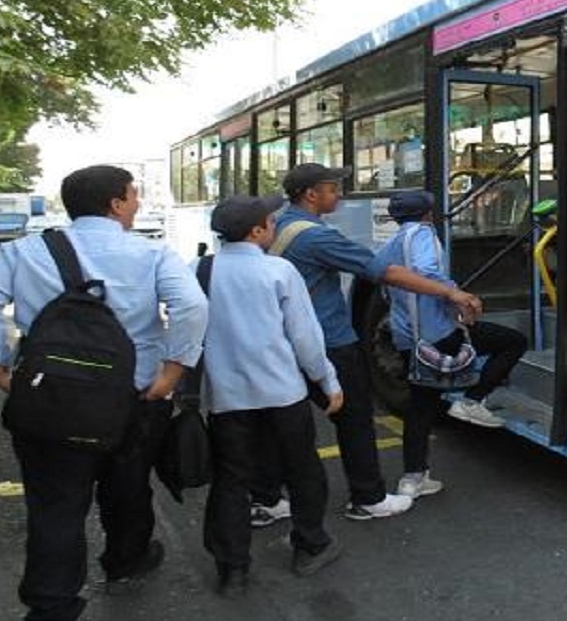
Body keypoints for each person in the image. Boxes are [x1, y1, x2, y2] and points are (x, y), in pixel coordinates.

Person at [0, 165, 208, 621]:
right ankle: (125, 560)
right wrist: (172, 373)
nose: (137, 204)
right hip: (135, 399)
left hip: (50, 401)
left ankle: (52, 604)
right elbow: (190, 305)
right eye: (133, 196)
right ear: (116, 203)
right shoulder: (152, 254)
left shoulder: (24, 251)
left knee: (55, 505)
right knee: (129, 488)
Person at [251, 163, 483, 523]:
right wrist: (451, 292)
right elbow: (385, 272)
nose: (339, 194)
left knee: (281, 421)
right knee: (355, 417)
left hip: (285, 341)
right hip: (328, 342)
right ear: (311, 194)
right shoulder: (316, 237)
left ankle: (267, 500)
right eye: (332, 188)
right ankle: (367, 497)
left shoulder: (282, 225)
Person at [198, 194, 345, 597]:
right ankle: (310, 544)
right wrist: (327, 382)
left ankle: (233, 570)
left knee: (231, 480)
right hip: (283, 393)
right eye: (271, 220)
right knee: (302, 470)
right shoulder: (278, 271)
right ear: (257, 230)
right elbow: (305, 337)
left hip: (228, 399)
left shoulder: (201, 270)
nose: (275, 226)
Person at [377, 190, 528, 498]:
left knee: (420, 407)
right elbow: (426, 271)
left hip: (409, 338)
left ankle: (413, 477)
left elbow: (383, 280)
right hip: (439, 332)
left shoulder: (389, 245)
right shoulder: (423, 235)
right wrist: (456, 295)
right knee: (513, 342)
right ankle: (471, 400)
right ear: (428, 214)